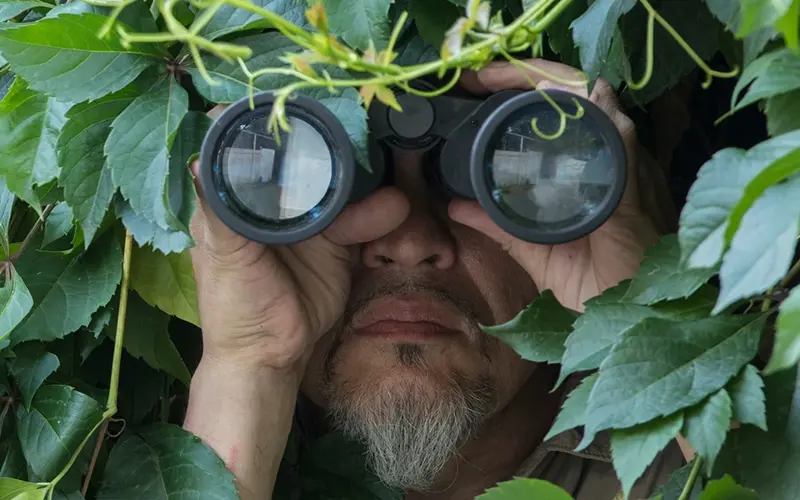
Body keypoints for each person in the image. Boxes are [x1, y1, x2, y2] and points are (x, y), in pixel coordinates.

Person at [183, 58, 686, 500]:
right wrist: (249, 363)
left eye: (511, 177)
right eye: (327, 181)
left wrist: (641, 317)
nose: (409, 242)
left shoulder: (683, 468)